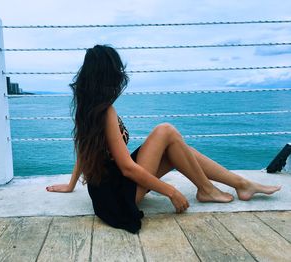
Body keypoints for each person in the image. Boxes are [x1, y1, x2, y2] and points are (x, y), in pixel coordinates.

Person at [46, 44, 281, 233]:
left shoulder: (85, 108)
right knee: (166, 131)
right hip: (118, 196)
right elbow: (127, 168)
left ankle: (240, 185)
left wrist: (71, 185)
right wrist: (171, 191)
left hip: (105, 192)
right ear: (108, 77)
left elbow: (84, 151)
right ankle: (210, 189)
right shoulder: (105, 111)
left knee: (174, 147)